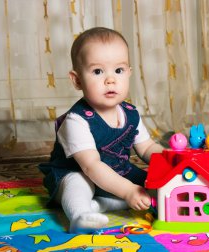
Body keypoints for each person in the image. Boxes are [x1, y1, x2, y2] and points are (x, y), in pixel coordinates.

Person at [39, 27, 164, 233]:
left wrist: (173, 159)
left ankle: (99, 206)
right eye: (98, 71)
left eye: (119, 70)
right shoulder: (76, 120)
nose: (110, 79)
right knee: (78, 183)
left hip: (117, 172)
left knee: (154, 185)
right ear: (77, 80)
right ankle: (79, 215)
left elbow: (147, 147)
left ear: (129, 73)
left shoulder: (130, 113)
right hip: (77, 173)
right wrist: (128, 191)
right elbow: (92, 166)